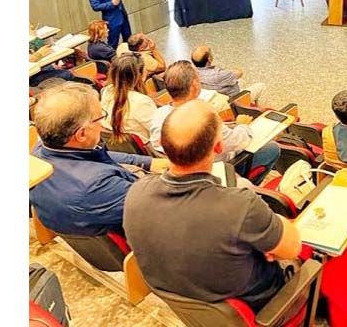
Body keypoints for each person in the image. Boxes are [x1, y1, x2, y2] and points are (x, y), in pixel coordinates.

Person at [123, 100, 302, 311]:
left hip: (188, 303)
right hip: (262, 305)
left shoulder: (136, 192)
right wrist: (273, 225)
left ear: (163, 144)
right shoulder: (241, 206)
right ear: (218, 147)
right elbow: (292, 249)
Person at [29, 82, 168, 236]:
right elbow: (165, 206)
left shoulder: (39, 152)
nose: (103, 125)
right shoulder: (100, 186)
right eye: (100, 117)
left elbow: (91, 156)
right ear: (81, 134)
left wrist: (147, 162)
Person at [150, 61, 279, 184]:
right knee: (272, 148)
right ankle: (248, 185)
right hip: (217, 168)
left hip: (179, 172)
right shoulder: (206, 117)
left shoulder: (158, 114)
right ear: (194, 85)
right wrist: (242, 125)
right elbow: (237, 142)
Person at [100, 53, 157, 145]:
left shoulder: (107, 91)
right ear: (140, 75)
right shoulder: (142, 102)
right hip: (147, 150)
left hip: (117, 149)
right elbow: (159, 132)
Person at [191, 45, 266, 104]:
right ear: (209, 59)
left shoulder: (193, 73)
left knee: (241, 81)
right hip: (233, 100)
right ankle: (257, 110)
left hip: (218, 96)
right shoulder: (219, 74)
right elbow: (239, 73)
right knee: (261, 86)